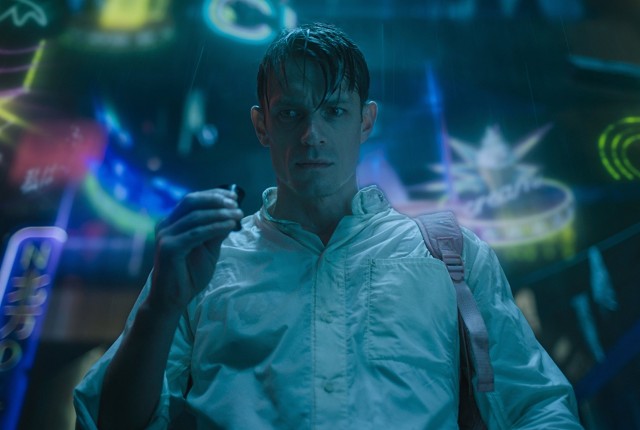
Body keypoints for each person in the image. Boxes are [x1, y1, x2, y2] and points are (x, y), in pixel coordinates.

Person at [74, 22, 583, 429]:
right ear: (262, 125)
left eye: (334, 110)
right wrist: (160, 309)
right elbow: (110, 422)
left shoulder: (451, 255)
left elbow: (537, 405)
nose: (312, 134)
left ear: (366, 121)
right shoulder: (204, 264)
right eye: (291, 113)